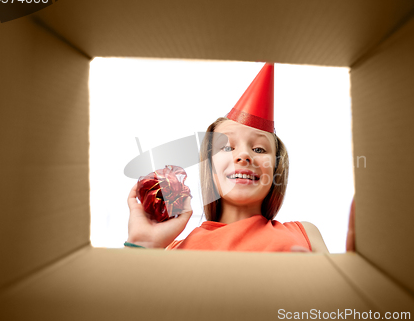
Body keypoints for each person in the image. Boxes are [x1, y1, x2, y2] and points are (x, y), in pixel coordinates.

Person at [125, 63, 330, 253]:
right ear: (211, 167)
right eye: (227, 147)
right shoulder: (175, 250)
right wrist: (144, 243)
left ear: (275, 169)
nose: (243, 156)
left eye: (259, 149)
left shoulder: (305, 235)